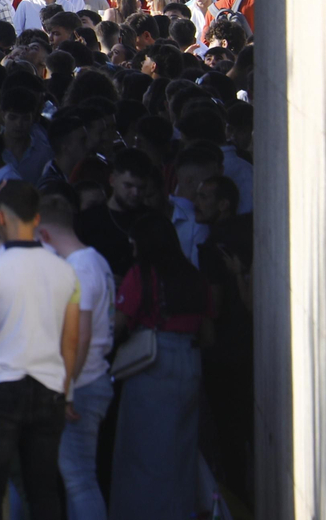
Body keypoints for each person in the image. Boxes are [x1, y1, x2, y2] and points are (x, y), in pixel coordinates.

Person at [0, 180, 80, 520]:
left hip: (0, 386)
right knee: (43, 490)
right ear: (37, 218)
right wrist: (67, 390)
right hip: (49, 388)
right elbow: (69, 339)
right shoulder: (65, 269)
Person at [108, 214, 211, 520]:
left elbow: (118, 327)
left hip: (151, 364)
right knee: (181, 454)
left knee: (142, 455)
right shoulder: (194, 276)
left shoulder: (140, 275)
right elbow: (209, 335)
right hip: (190, 363)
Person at [37, 195, 116, 520]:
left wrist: (65, 388)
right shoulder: (95, 261)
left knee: (79, 480)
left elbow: (79, 335)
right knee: (78, 480)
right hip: (90, 381)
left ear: (44, 235)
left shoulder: (79, 269)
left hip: (80, 386)